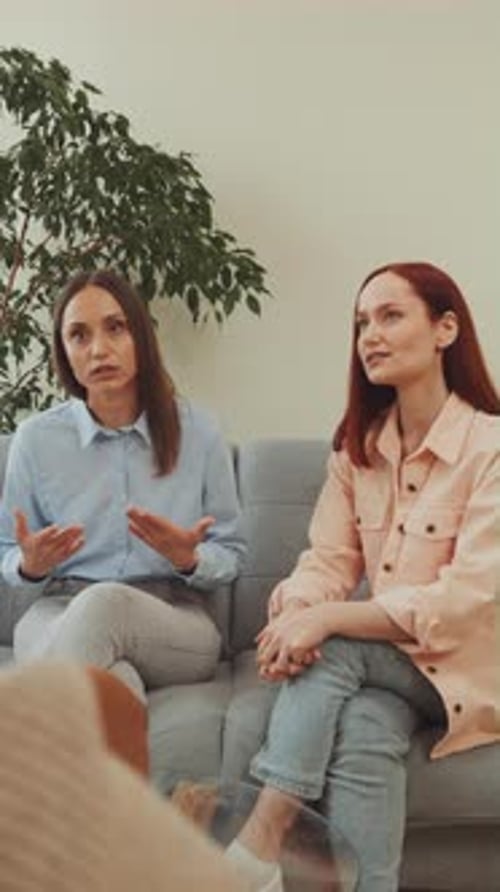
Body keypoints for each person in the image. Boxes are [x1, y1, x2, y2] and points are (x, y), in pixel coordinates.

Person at [226, 261, 500, 892]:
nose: (369, 335)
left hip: (465, 666)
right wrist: (295, 611)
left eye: (390, 315)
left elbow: (465, 600)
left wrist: (322, 621)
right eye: (360, 323)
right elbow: (327, 560)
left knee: (336, 644)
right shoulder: (360, 447)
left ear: (445, 329)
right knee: (366, 724)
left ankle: (259, 844)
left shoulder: (489, 447)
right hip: (392, 666)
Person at [0, 269, 246, 701]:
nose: (99, 349)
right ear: (64, 351)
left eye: (115, 328)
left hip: (174, 616)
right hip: (56, 611)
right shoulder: (36, 439)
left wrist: (189, 558)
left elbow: (232, 554)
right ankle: (105, 763)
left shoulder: (201, 432)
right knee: (116, 687)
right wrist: (30, 565)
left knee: (104, 605)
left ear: (141, 337)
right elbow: (7, 551)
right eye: (78, 335)